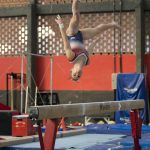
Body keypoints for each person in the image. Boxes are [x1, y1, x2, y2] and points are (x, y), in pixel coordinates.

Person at [55, 0, 120, 81]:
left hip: (71, 34)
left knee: (76, 18)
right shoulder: (87, 62)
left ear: (71, 70)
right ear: (81, 74)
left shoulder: (71, 57)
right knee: (97, 30)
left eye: (74, 74)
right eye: (78, 76)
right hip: (80, 36)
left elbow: (66, 43)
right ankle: (113, 24)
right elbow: (89, 51)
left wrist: (61, 26)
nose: (77, 74)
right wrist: (95, 42)